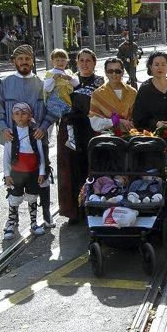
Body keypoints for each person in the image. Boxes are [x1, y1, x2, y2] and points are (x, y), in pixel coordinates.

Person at [0, 44, 56, 234]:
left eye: (27, 59)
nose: (24, 62)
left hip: (38, 139)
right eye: (20, 59)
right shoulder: (4, 83)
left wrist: (43, 127)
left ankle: (45, 213)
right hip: (14, 141)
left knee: (42, 176)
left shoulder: (43, 84)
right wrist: (3, 128)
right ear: (14, 62)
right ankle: (13, 219)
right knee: (15, 180)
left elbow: (53, 109)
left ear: (33, 61)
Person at [133, 51, 167, 231]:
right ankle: (156, 220)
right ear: (150, 67)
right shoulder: (145, 89)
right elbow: (138, 118)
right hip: (153, 144)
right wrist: (156, 123)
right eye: (156, 64)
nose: (159, 67)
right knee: (156, 180)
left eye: (163, 64)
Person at [55, 48, 104, 223]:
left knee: (91, 167)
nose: (85, 64)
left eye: (88, 60)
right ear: (76, 62)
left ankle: (92, 206)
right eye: (81, 60)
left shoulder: (99, 81)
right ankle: (73, 210)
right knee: (70, 169)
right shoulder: (66, 80)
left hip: (91, 129)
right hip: (69, 129)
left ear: (94, 63)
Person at [2, 102, 47, 239]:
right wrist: (7, 174)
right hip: (17, 173)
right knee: (14, 197)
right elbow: (6, 157)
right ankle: (11, 223)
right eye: (17, 114)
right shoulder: (10, 135)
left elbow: (41, 155)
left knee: (32, 197)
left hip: (32, 173)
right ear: (13, 116)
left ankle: (33, 223)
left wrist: (41, 172)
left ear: (29, 116)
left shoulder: (35, 134)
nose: (20, 116)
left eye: (24, 113)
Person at [88, 57, 137, 135]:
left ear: (123, 72)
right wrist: (115, 121)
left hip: (132, 136)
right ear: (105, 72)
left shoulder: (133, 92)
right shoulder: (97, 95)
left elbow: (139, 116)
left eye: (117, 71)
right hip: (108, 139)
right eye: (110, 71)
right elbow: (95, 123)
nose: (114, 74)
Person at [44, 48, 80, 150]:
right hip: (54, 102)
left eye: (63, 60)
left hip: (67, 102)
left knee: (70, 120)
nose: (60, 62)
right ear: (52, 61)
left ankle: (71, 140)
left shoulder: (68, 72)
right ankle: (46, 139)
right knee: (49, 122)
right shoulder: (50, 73)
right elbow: (46, 88)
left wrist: (70, 78)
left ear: (67, 61)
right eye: (57, 60)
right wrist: (53, 79)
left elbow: (77, 84)